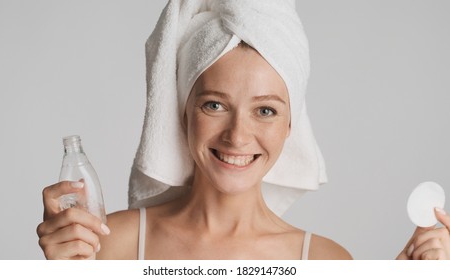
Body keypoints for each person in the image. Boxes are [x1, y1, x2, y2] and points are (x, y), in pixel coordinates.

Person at [36, 0, 450, 260]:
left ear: (291, 124)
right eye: (214, 105)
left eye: (265, 110)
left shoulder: (325, 262)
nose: (237, 136)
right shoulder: (110, 243)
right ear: (183, 111)